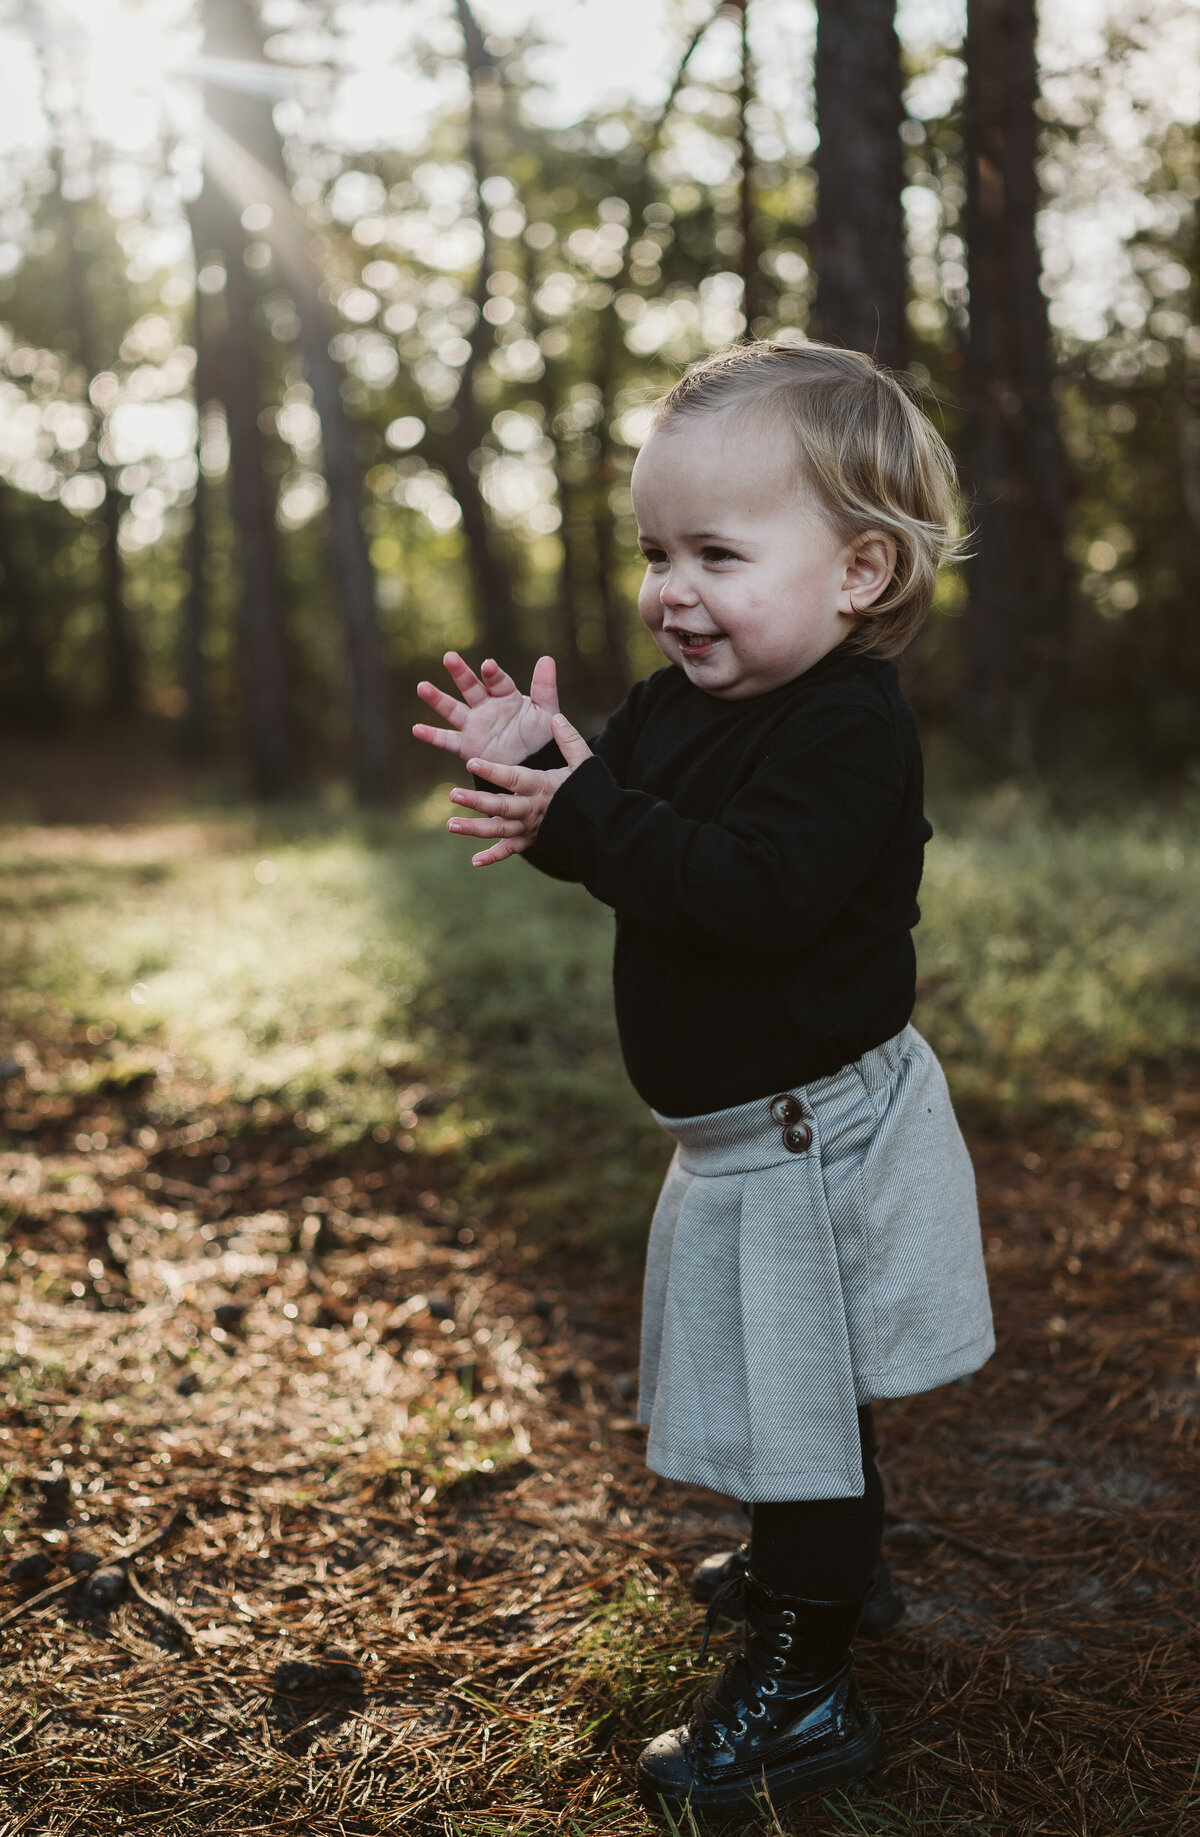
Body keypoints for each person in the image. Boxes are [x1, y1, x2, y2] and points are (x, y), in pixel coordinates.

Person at [412, 340, 994, 1820]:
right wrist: (548, 772)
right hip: (744, 1132)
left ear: (860, 570)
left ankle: (803, 1691)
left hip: (812, 1132)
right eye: (656, 552)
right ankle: (829, 1570)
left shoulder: (848, 728)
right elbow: (631, 826)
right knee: (784, 1373)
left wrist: (594, 810)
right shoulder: (680, 700)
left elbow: (750, 890)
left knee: (797, 1394)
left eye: (719, 553)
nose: (673, 589)